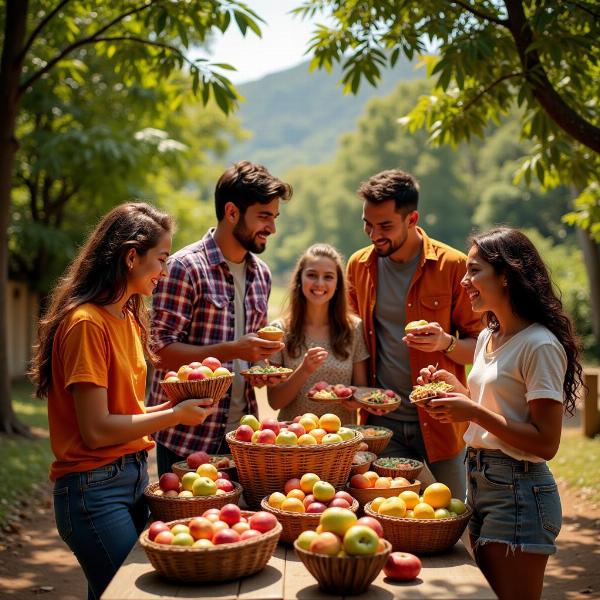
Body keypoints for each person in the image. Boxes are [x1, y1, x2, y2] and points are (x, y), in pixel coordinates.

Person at [28, 203, 217, 600]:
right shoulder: (86, 324)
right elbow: (96, 431)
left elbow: (123, 416)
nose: (165, 272)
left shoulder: (128, 318)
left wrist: (178, 410)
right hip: (93, 490)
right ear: (132, 256)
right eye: (161, 259)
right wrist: (172, 417)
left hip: (131, 479)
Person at [419, 227, 584, 600]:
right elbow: (493, 410)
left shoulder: (540, 345)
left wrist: (471, 410)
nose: (464, 282)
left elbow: (546, 442)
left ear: (506, 275)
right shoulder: (487, 337)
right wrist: (452, 389)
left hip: (519, 491)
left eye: (474, 271)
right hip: (479, 481)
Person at [147, 161, 293, 475]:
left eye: (274, 217)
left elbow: (248, 352)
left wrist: (260, 369)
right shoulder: (183, 268)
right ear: (231, 212)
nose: (272, 228)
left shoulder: (261, 274)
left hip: (242, 434)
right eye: (264, 216)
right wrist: (233, 350)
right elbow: (157, 352)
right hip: (187, 436)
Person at [346, 168, 482, 499]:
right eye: (368, 224)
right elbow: (353, 343)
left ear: (412, 219)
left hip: (442, 420)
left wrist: (445, 342)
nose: (373, 234)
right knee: (392, 514)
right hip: (384, 424)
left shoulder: (454, 266)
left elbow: (483, 348)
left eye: (385, 226)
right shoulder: (357, 266)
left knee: (453, 517)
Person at [266, 243, 369, 423]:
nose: (319, 283)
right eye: (312, 275)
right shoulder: (279, 330)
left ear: (338, 283)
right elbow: (274, 401)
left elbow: (362, 389)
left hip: (342, 439)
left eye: (328, 277)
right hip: (295, 439)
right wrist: (303, 370)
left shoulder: (354, 329)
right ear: (300, 279)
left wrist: (355, 399)